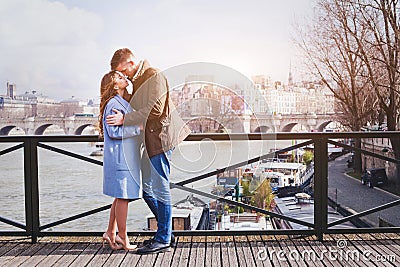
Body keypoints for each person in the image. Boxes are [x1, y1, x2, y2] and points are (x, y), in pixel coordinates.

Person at [106, 48, 191, 254]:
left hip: (161, 139)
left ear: (130, 63)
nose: (124, 75)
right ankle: (166, 233)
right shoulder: (141, 79)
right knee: (148, 190)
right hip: (151, 140)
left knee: (160, 188)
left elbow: (155, 109)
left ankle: (163, 238)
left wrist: (124, 119)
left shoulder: (154, 75)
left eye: (123, 71)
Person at [99, 70, 142, 251]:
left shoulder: (122, 101)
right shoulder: (113, 104)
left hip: (125, 157)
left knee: (120, 197)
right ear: (114, 85)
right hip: (121, 159)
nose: (124, 77)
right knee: (124, 197)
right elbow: (114, 132)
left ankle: (110, 232)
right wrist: (137, 129)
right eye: (118, 76)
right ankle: (123, 237)